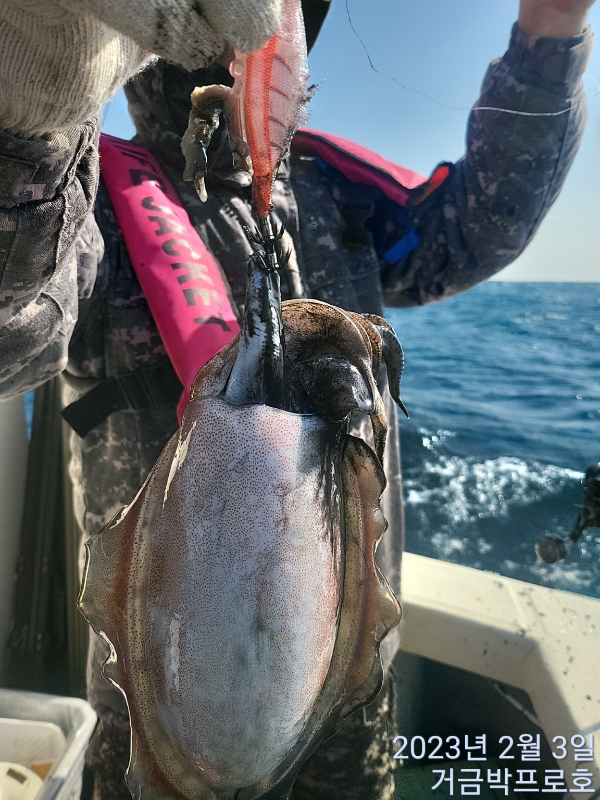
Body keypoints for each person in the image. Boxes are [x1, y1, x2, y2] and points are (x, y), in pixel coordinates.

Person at [0, 1, 595, 798]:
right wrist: (30, 117)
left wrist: (551, 29)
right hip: (154, 705)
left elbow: (478, 227)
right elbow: (15, 332)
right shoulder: (83, 200)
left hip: (346, 690)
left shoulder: (337, 190)